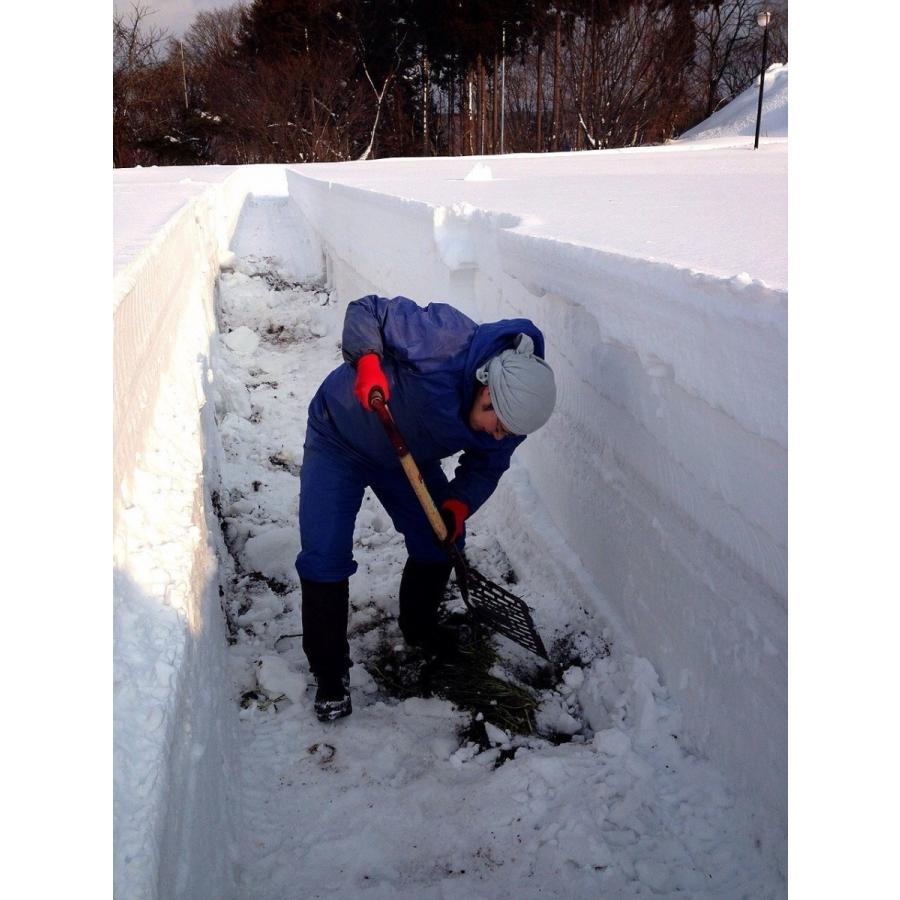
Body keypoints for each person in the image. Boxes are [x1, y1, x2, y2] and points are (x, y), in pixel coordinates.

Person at [295, 294, 557, 721]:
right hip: (338, 436)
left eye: (509, 434)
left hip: (405, 456)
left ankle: (419, 628)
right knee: (325, 553)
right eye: (499, 426)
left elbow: (486, 468)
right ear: (487, 392)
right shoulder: (444, 340)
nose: (500, 437)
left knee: (441, 539)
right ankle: (329, 673)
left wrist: (457, 503)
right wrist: (367, 364)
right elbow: (368, 310)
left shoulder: (512, 419)